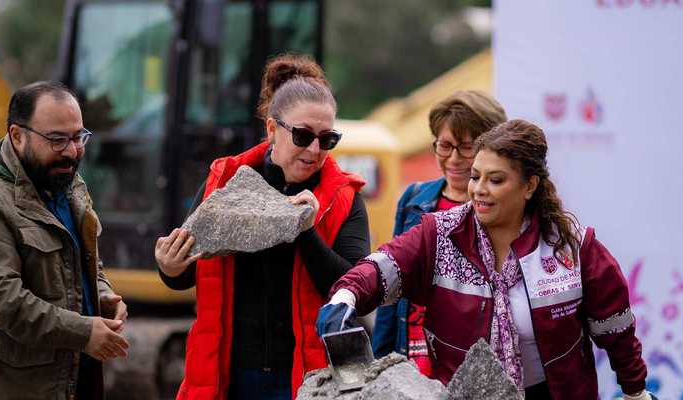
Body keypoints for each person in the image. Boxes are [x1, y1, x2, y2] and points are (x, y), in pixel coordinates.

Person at [318, 120, 653, 399]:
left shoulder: (573, 246)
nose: (479, 189)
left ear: (529, 186)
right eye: (475, 176)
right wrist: (345, 298)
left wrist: (635, 392)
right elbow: (382, 267)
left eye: (496, 180)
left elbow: (616, 330)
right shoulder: (439, 235)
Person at [155, 54, 369, 399]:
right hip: (230, 376)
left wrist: (306, 230)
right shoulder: (225, 182)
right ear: (272, 129)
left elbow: (357, 291)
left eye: (327, 139)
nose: (315, 150)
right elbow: (187, 273)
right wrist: (169, 266)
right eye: (302, 136)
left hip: (309, 378)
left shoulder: (343, 197)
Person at [0, 81, 130, 399]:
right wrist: (83, 332)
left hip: (69, 381)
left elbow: (82, 259)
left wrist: (100, 293)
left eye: (78, 137)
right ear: (18, 136)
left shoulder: (66, 184)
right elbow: (0, 301)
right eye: (57, 140)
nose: (72, 152)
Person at [372, 90, 507, 377]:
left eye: (466, 147)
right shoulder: (414, 198)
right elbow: (390, 285)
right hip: (411, 359)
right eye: (444, 146)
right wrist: (379, 365)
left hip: (472, 365)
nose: (454, 159)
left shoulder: (502, 207)